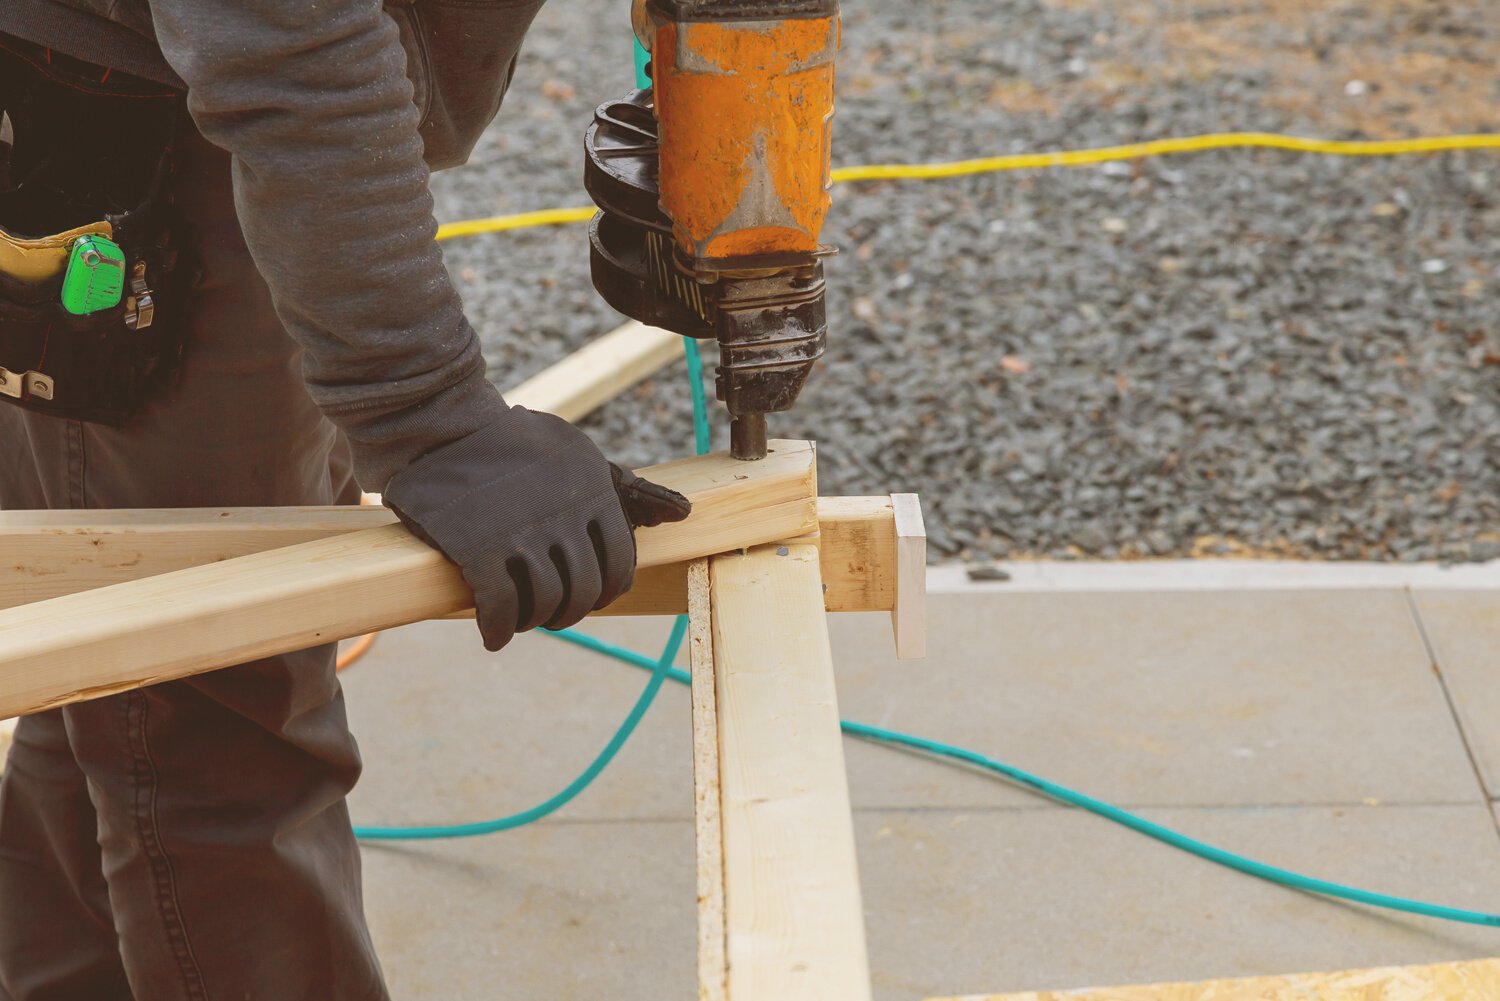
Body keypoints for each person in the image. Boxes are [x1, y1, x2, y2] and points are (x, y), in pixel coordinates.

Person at [0, 3, 688, 998]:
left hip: (204, 102)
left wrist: (712, 81)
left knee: (111, 673)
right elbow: (284, 49)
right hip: (143, 116)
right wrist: (431, 417)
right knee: (209, 711)